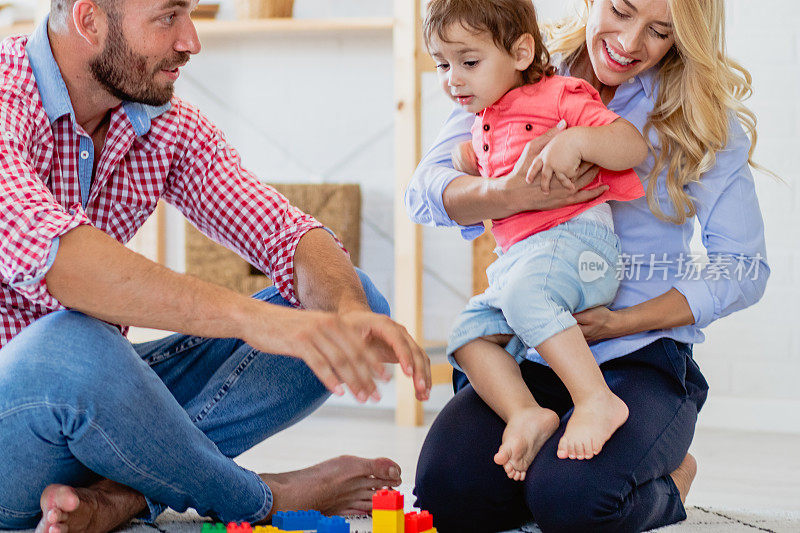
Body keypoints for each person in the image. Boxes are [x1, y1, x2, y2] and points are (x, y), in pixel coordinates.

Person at [0, 1, 431, 532]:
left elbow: (285, 231)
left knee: (355, 303)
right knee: (72, 344)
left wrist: (344, 309)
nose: (191, 40)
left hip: (100, 405)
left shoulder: (160, 121)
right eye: (168, 17)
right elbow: (60, 260)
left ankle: (122, 498)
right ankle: (267, 496)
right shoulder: (5, 93)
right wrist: (256, 320)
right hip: (15, 427)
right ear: (89, 19)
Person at [409, 0, 769, 531]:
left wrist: (625, 320)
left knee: (577, 502)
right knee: (447, 495)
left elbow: (741, 266)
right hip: (534, 347)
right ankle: (551, 452)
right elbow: (425, 190)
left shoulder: (698, 113)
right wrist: (506, 193)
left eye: (660, 31)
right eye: (621, 11)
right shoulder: (512, 61)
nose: (629, 42)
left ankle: (670, 481)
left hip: (637, 355)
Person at [424, 0, 648, 478]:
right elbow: (428, 186)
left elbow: (631, 144)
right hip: (520, 260)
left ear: (522, 52)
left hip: (578, 244)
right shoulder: (480, 120)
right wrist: (469, 161)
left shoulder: (560, 94)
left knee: (528, 293)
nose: (452, 79)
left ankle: (597, 399)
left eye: (468, 62)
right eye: (442, 64)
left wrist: (578, 141)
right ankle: (525, 412)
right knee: (467, 337)